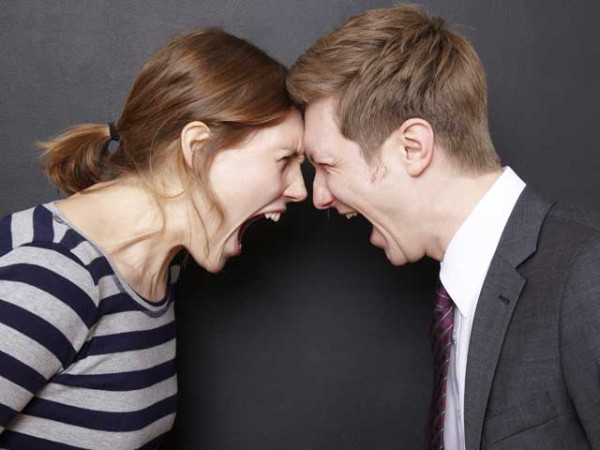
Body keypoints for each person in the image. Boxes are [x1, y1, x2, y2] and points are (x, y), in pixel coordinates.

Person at [287, 5, 600, 449]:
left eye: (327, 165)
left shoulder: (586, 276)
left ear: (412, 148)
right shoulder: (457, 300)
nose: (319, 196)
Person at [0, 28, 306, 448]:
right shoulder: (49, 278)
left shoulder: (161, 267)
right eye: (284, 159)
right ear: (197, 148)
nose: (300, 190)